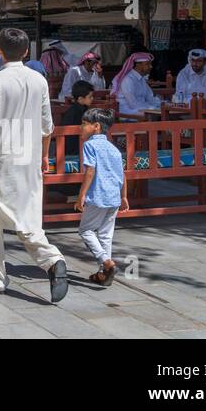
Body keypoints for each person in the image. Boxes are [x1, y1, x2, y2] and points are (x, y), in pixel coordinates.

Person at [0, 27, 68, 302]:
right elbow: (47, 126)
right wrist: (44, 156)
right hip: (29, 157)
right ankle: (51, 260)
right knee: (26, 215)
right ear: (26, 51)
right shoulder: (39, 80)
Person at [73, 107, 127, 288]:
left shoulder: (90, 145)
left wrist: (81, 194)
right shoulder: (113, 149)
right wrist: (124, 196)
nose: (81, 128)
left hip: (98, 195)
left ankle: (106, 262)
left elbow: (90, 170)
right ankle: (103, 273)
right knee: (105, 235)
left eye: (84, 124)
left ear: (96, 126)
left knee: (86, 231)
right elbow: (123, 174)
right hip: (114, 197)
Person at [58, 80, 95, 157]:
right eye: (90, 97)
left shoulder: (78, 109)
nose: (92, 98)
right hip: (73, 150)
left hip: (71, 148)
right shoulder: (78, 112)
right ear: (80, 99)